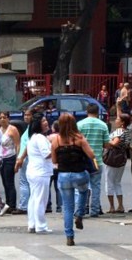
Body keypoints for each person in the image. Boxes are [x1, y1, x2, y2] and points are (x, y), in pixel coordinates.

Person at [51, 113, 96, 247]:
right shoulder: (80, 139)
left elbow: (54, 160)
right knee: (84, 192)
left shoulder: (56, 141)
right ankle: (80, 214)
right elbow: (92, 154)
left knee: (67, 207)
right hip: (79, 174)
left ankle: (69, 237)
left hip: (64, 176)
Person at [77, 103, 110, 217]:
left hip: (82, 160)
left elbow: (76, 143)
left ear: (87, 111)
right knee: (96, 186)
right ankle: (95, 210)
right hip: (97, 160)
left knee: (81, 186)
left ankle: (81, 209)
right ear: (97, 112)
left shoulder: (80, 125)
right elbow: (106, 144)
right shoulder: (103, 126)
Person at [25, 113, 53, 234]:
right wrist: (56, 148)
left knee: (34, 198)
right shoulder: (40, 138)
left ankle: (32, 224)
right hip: (40, 172)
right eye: (43, 121)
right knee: (40, 199)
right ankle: (40, 226)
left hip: (33, 171)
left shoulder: (33, 138)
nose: (46, 123)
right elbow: (47, 154)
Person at [104, 108, 132, 214]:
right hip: (121, 158)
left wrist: (106, 141)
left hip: (112, 158)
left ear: (122, 122)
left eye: (117, 119)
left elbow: (114, 143)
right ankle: (120, 205)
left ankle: (112, 206)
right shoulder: (128, 131)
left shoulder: (119, 131)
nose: (115, 120)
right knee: (117, 182)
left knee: (109, 182)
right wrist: (118, 104)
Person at [0, 111, 20, 213]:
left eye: (4, 117)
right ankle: (8, 204)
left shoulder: (12, 129)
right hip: (1, 158)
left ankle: (12, 205)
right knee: (4, 182)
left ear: (8, 118)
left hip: (10, 157)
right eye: (1, 117)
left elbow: (17, 145)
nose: (2, 119)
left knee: (10, 182)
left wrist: (17, 160)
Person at [13, 109, 33, 215]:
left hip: (26, 158)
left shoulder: (32, 130)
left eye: (28, 115)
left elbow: (28, 145)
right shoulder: (29, 128)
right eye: (25, 115)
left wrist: (20, 158)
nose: (26, 117)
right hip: (25, 158)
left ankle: (23, 206)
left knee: (24, 182)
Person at [46, 120, 62, 213]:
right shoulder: (63, 138)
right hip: (59, 165)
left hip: (50, 164)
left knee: (48, 185)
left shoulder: (49, 138)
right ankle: (59, 206)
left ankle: (48, 205)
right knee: (58, 187)